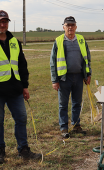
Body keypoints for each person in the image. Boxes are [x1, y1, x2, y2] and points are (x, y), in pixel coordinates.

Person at [0, 10, 42, 163]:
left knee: (21, 118)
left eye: (5, 21)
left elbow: (22, 65)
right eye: (0, 21)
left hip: (15, 89)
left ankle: (23, 149)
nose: (3, 24)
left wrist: (25, 86)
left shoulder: (14, 42)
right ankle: (0, 152)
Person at [50, 16, 92, 138]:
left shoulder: (81, 40)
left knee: (77, 103)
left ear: (76, 27)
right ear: (63, 27)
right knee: (63, 104)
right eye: (67, 25)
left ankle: (76, 126)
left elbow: (87, 58)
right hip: (64, 78)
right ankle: (64, 128)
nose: (70, 27)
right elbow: (53, 62)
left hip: (79, 77)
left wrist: (88, 74)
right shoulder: (58, 41)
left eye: (72, 25)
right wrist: (54, 80)